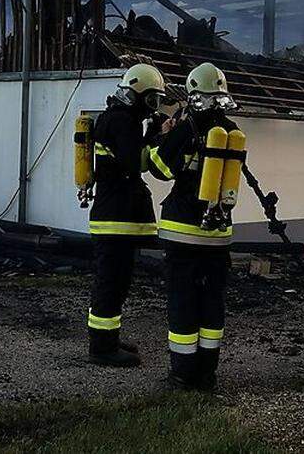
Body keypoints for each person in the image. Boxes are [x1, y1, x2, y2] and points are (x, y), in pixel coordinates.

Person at [148, 62, 240, 391]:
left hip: (183, 233)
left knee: (183, 302)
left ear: (193, 91)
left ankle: (183, 373)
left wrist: (164, 136)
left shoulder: (188, 128)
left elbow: (159, 169)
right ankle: (207, 373)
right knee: (212, 303)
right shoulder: (231, 130)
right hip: (218, 234)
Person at [85, 63, 169, 367]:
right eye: (152, 100)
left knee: (117, 281)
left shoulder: (117, 118)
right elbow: (137, 163)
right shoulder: (122, 122)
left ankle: (109, 338)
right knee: (110, 281)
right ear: (137, 95)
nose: (154, 107)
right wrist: (158, 137)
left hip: (114, 215)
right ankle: (102, 349)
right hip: (115, 218)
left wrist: (150, 131)